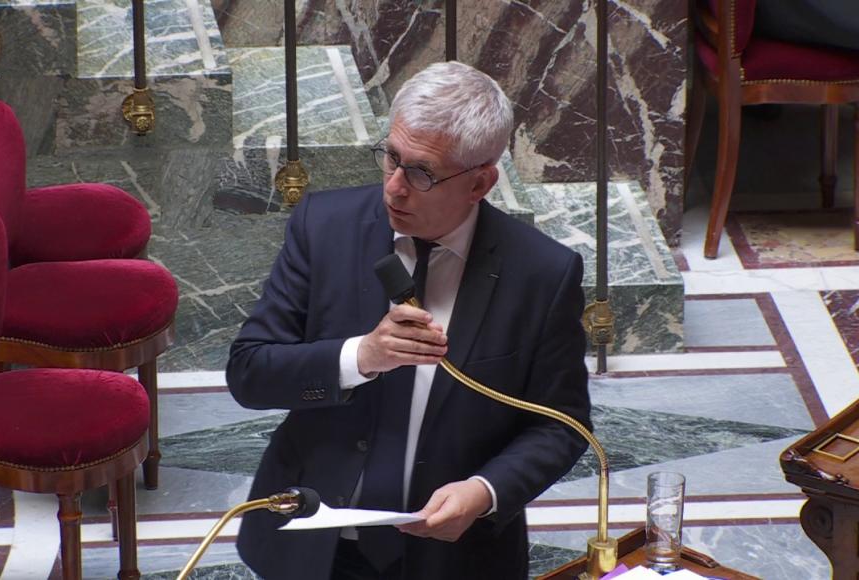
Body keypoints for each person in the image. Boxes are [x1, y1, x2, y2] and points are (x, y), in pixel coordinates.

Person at [227, 61, 591, 580]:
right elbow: (249, 373)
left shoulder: (542, 273)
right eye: (391, 158)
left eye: (421, 172)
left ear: (480, 182)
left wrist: (484, 492)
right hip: (313, 545)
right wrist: (361, 357)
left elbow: (562, 424)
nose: (394, 187)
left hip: (453, 556)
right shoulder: (323, 227)